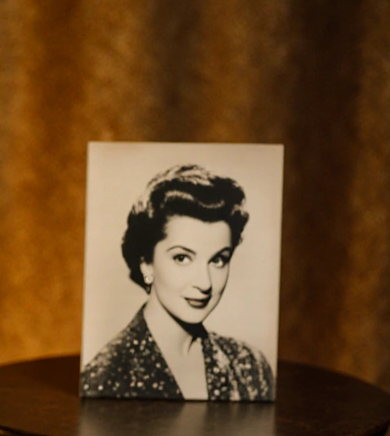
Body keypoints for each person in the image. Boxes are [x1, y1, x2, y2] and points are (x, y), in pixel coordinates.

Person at [80, 164, 274, 401]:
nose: (205, 283)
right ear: (146, 264)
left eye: (218, 260)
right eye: (182, 258)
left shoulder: (250, 366)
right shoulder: (105, 379)